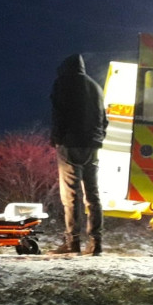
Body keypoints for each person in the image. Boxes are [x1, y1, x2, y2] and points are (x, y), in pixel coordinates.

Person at [49, 53, 108, 256]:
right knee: (93, 195)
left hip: (70, 143)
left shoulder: (63, 83)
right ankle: (96, 243)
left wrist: (57, 139)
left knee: (71, 195)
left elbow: (59, 114)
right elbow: (104, 118)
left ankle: (72, 242)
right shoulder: (96, 87)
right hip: (93, 145)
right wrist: (99, 137)